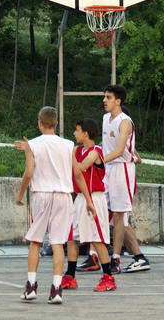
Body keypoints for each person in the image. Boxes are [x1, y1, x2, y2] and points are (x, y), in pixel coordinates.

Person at [14, 107, 97, 304]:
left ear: (39, 123)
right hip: (63, 196)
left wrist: (20, 194)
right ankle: (57, 289)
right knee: (58, 243)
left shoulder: (32, 145)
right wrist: (89, 200)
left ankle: (31, 286)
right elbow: (78, 174)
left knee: (35, 241)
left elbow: (28, 173)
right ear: (56, 123)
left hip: (42, 194)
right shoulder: (68, 145)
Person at [61, 118, 116, 292]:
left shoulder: (95, 152)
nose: (74, 133)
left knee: (96, 239)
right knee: (71, 238)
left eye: (77, 130)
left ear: (85, 133)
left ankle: (109, 277)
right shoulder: (77, 150)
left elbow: (81, 168)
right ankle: (70, 276)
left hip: (94, 199)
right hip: (79, 198)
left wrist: (70, 155)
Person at [101, 85, 150, 273]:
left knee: (119, 216)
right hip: (108, 169)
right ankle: (95, 255)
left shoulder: (125, 122)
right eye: (105, 97)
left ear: (118, 101)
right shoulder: (105, 118)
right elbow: (107, 145)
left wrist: (98, 161)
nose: (104, 100)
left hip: (122, 170)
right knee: (100, 210)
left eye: (108, 97)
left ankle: (116, 258)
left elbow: (120, 150)